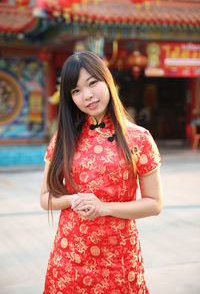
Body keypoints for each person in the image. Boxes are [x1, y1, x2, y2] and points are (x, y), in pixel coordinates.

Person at [40, 50, 163, 294]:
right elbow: (45, 199)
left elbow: (154, 204)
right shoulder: (63, 138)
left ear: (107, 80)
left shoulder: (139, 138)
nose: (86, 96)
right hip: (69, 259)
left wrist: (104, 208)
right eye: (75, 91)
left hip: (118, 260)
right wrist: (71, 200)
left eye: (92, 83)